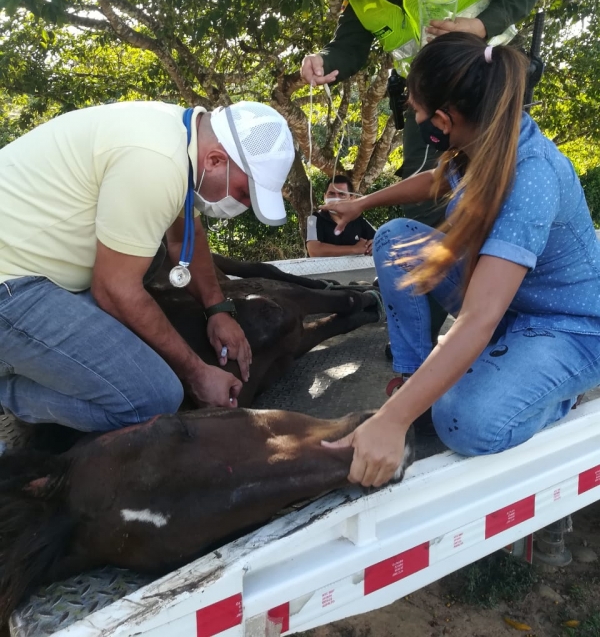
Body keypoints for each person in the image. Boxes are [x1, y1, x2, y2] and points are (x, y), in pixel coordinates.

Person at [321, 33, 600, 488]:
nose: (414, 117)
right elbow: (435, 179)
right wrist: (361, 204)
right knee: (394, 242)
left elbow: (477, 319)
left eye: (416, 110)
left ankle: (555, 398)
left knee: (464, 422)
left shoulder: (530, 177)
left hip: (569, 326)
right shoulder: (484, 141)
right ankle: (413, 382)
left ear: (445, 119)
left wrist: (390, 423)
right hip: (511, 305)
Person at [0, 100, 295, 432]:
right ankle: (10, 391)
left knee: (147, 259)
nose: (241, 205)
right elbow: (114, 289)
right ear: (215, 160)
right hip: (10, 287)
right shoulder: (156, 161)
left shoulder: (180, 136)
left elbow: (186, 232)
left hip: (35, 266)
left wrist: (217, 310)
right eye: (243, 193)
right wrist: (196, 372)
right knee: (154, 399)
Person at [301, 0, 542, 227]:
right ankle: (442, 271)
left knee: (502, 178)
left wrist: (480, 26)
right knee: (425, 196)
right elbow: (348, 46)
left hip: (485, 83)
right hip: (425, 101)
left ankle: (501, 262)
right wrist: (322, 61)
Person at [306, 174, 375, 257]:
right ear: (324, 197)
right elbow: (314, 251)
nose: (336, 198)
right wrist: (354, 249)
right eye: (331, 194)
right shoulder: (313, 219)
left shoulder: (359, 219)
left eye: (342, 194)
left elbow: (379, 240)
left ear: (351, 198)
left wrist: (373, 245)